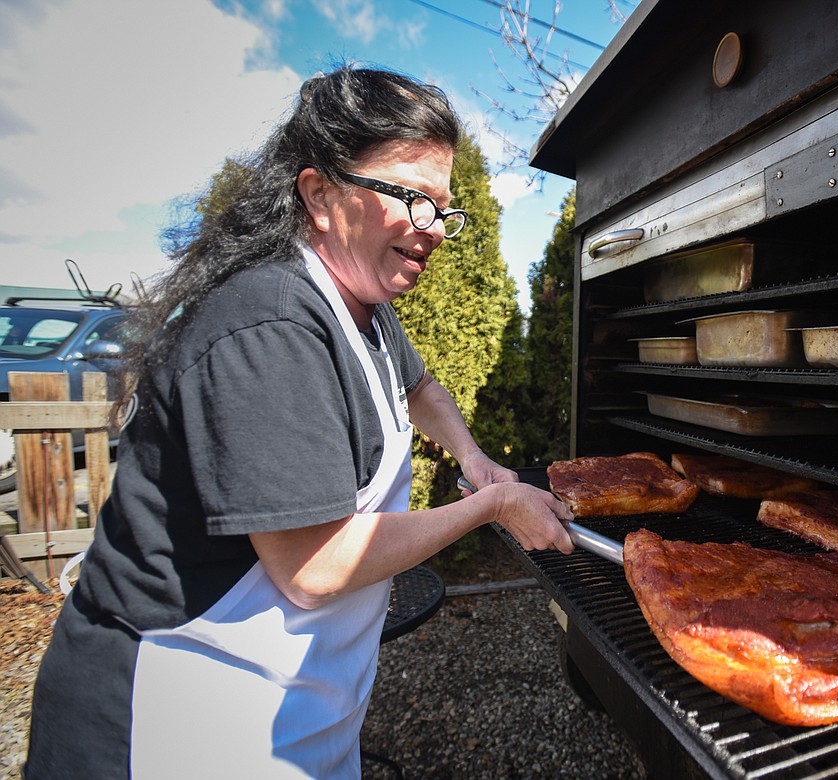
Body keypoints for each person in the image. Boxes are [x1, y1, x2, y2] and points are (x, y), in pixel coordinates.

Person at [24, 64, 575, 779]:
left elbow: (421, 387)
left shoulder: (362, 309)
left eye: (444, 209)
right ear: (319, 194)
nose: (433, 229)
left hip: (294, 713)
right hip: (178, 719)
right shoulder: (269, 323)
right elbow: (315, 566)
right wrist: (493, 505)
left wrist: (473, 460)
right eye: (411, 198)